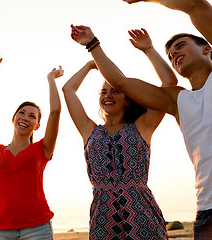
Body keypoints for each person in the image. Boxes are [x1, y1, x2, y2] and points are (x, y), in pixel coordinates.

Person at [71, 0, 212, 238]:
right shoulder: (177, 100)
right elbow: (122, 83)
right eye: (170, 54)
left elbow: (197, 5)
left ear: (207, 49)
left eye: (180, 45)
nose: (174, 53)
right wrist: (92, 45)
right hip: (207, 209)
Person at [64, 28, 177, 239]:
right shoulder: (89, 130)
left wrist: (149, 50)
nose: (107, 96)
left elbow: (169, 84)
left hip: (141, 213)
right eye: (103, 92)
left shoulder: (142, 126)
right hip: (103, 218)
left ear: (128, 99)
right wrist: (90, 65)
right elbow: (68, 90)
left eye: (115, 90)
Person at [0, 54, 62, 239]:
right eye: (21, 113)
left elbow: (55, 111)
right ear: (13, 118)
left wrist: (51, 80)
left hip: (38, 227)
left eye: (32, 116)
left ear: (37, 125)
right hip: (0, 230)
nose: (25, 117)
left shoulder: (43, 149)